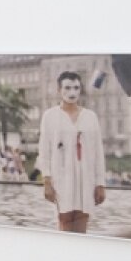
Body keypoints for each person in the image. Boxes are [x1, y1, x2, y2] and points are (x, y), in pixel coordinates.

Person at [37, 71, 107, 233]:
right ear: (59, 90)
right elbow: (44, 150)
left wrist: (100, 184)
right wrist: (46, 181)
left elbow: (98, 153)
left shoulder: (90, 116)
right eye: (67, 88)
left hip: (86, 178)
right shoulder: (50, 116)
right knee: (65, 219)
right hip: (62, 177)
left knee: (82, 221)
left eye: (76, 88)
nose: (72, 92)